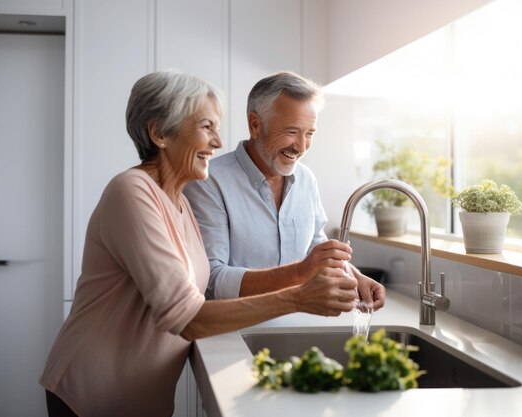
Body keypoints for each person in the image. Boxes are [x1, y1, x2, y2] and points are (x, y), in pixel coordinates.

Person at [39, 70, 359, 417]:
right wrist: (299, 296)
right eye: (206, 127)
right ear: (159, 133)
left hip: (141, 395)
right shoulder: (131, 191)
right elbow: (186, 317)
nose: (218, 142)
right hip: (93, 393)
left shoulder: (177, 200)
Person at [183, 70, 385, 308]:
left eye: (309, 134)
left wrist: (354, 276)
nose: (301, 146)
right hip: (234, 332)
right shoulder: (208, 181)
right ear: (255, 124)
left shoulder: (306, 179)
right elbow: (212, 279)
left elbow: (315, 250)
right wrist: (300, 271)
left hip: (298, 321)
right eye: (292, 132)